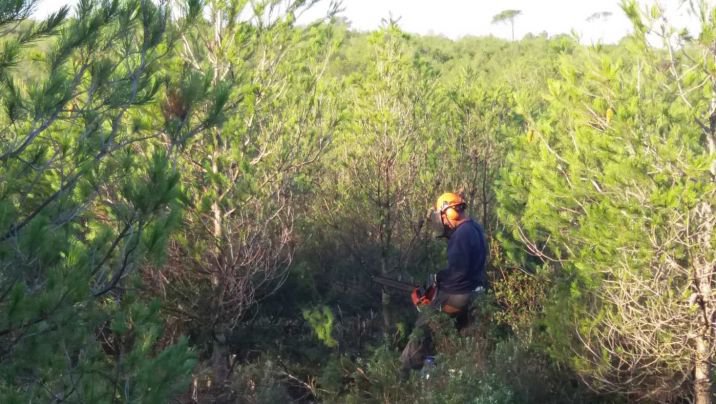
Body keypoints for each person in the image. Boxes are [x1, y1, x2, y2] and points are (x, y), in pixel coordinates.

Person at [399, 192, 488, 374]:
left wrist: (438, 280)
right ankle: (447, 373)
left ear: (450, 212)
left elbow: (458, 273)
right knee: (462, 338)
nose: (443, 222)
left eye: (442, 216)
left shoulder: (460, 235)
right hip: (476, 293)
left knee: (422, 330)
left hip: (457, 296)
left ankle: (405, 373)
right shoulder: (475, 228)